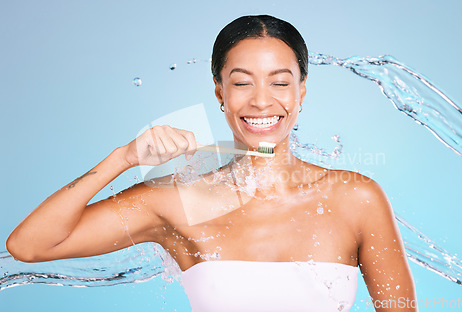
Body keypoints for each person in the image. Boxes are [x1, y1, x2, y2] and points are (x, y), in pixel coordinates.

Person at [6, 15, 417, 312]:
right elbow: (30, 245)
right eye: (241, 82)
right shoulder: (178, 200)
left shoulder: (355, 198)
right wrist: (123, 158)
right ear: (220, 92)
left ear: (301, 92)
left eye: (279, 82)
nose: (260, 100)